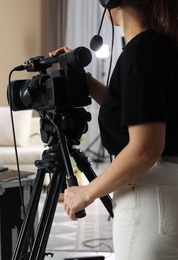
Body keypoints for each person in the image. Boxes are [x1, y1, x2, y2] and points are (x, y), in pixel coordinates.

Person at [50, 0, 178, 259]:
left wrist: (86, 193)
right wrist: (84, 80)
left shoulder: (140, 54)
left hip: (148, 198)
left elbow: (145, 150)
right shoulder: (159, 47)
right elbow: (133, 108)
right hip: (166, 194)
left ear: (110, 3)